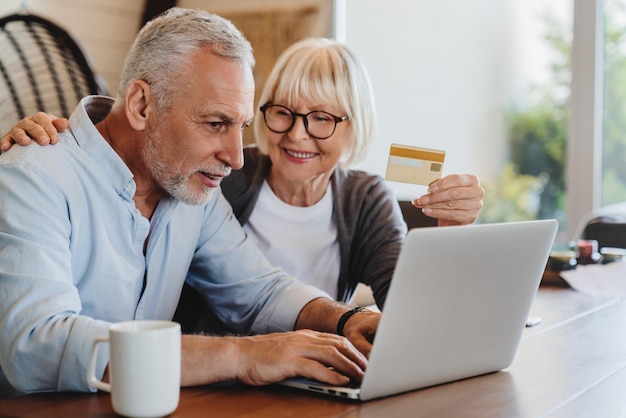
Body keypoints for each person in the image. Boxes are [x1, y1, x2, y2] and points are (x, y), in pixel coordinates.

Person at [0, 8, 380, 394]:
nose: (236, 157)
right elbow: (36, 345)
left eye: (241, 126)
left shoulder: (192, 190)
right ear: (141, 105)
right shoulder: (32, 177)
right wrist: (243, 356)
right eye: (216, 124)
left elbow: (259, 291)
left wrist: (347, 318)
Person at [2, 38, 484, 313]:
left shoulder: (364, 197)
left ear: (354, 126)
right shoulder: (210, 175)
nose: (297, 136)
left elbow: (412, 308)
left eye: (322, 119)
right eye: (281, 114)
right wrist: (48, 147)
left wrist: (453, 237)